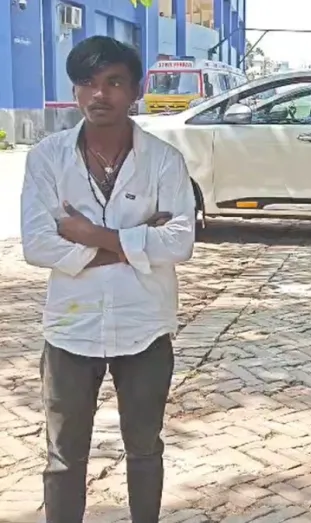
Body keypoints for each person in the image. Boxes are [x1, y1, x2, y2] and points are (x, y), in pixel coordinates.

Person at [20, 36, 196, 523]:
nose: (100, 94)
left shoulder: (164, 160)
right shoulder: (47, 158)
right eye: (88, 82)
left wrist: (89, 234)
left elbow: (180, 242)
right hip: (70, 328)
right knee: (64, 456)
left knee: (145, 449)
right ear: (75, 91)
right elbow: (38, 245)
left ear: (136, 90)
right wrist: (136, 243)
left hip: (145, 325)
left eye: (114, 82)